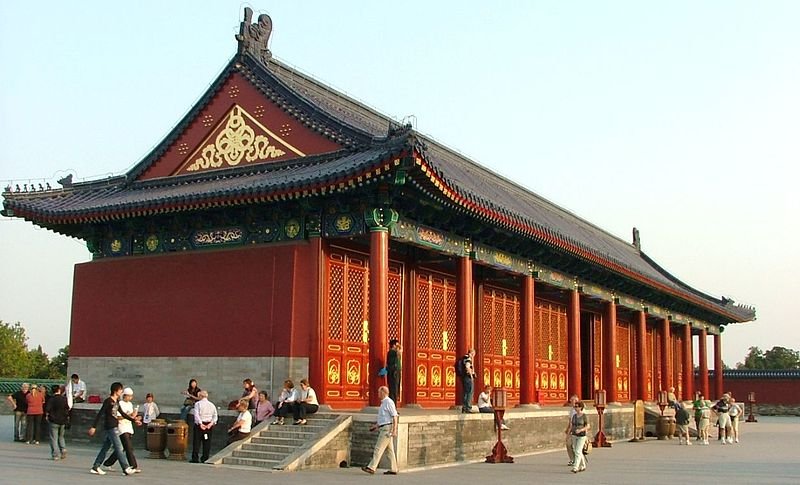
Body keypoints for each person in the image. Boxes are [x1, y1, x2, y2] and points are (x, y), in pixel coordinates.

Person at [88, 382, 135, 475]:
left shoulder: (116, 401)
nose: (121, 391)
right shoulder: (108, 401)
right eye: (120, 390)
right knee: (119, 447)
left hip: (115, 426)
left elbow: (122, 413)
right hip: (110, 427)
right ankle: (125, 468)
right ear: (116, 390)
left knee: (105, 448)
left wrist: (133, 420)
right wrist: (93, 427)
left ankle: (95, 466)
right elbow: (100, 413)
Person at [361, 386, 399, 475]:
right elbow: (384, 418)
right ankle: (394, 468)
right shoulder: (383, 403)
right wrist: (376, 426)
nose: (378, 394)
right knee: (390, 451)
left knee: (378, 448)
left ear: (383, 392)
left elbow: (394, 416)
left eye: (379, 392)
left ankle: (372, 467)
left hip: (387, 429)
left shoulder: (388, 402)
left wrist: (394, 430)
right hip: (384, 427)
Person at [102, 387, 141, 473]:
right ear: (124, 395)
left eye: (131, 396)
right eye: (128, 396)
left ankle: (108, 463)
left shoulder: (130, 404)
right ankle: (133, 465)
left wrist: (135, 417)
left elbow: (130, 416)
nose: (130, 398)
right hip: (121, 428)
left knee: (121, 448)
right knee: (128, 448)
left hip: (129, 428)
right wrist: (130, 417)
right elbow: (118, 416)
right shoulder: (120, 404)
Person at [191, 390, 218, 463]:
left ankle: (195, 458)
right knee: (207, 442)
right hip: (208, 425)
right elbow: (215, 416)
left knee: (197, 442)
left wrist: (200, 424)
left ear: (201, 396)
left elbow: (196, 415)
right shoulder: (212, 405)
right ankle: (205, 457)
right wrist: (210, 424)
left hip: (200, 425)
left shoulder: (198, 404)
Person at [45, 385, 69, 460]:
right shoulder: (64, 398)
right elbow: (67, 408)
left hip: (54, 420)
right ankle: (63, 449)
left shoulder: (52, 399)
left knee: (53, 438)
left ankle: (55, 454)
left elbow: (47, 409)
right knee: (61, 436)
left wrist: (48, 416)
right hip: (63, 420)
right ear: (59, 390)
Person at [569, 400, 590, 473]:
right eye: (575, 407)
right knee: (577, 450)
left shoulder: (584, 416)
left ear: (581, 407)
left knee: (577, 451)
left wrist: (581, 430)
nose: (575, 408)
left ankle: (575, 467)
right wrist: (569, 433)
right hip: (574, 435)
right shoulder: (574, 416)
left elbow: (587, 426)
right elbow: (571, 425)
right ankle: (583, 465)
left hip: (581, 435)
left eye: (577, 407)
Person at [563, 394, 579, 466]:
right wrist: (567, 429)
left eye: (574, 400)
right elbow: (570, 421)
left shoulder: (581, 410)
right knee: (568, 444)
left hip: (578, 430)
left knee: (577, 446)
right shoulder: (571, 410)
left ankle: (578, 461)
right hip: (571, 429)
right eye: (571, 400)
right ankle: (572, 459)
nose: (572, 402)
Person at [459, 348, 476, 413]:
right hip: (467, 377)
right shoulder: (468, 358)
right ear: (472, 353)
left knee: (465, 392)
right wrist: (471, 376)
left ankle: (464, 407)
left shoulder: (464, 357)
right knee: (470, 392)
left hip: (463, 377)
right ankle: (468, 407)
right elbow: (467, 367)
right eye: (474, 354)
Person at [386, 339, 402, 403]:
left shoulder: (396, 353)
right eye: (396, 345)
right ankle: (392, 407)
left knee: (396, 389)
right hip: (393, 372)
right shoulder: (391, 352)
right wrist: (399, 347)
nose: (398, 346)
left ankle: (393, 406)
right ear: (393, 345)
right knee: (393, 390)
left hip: (397, 372)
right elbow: (399, 351)